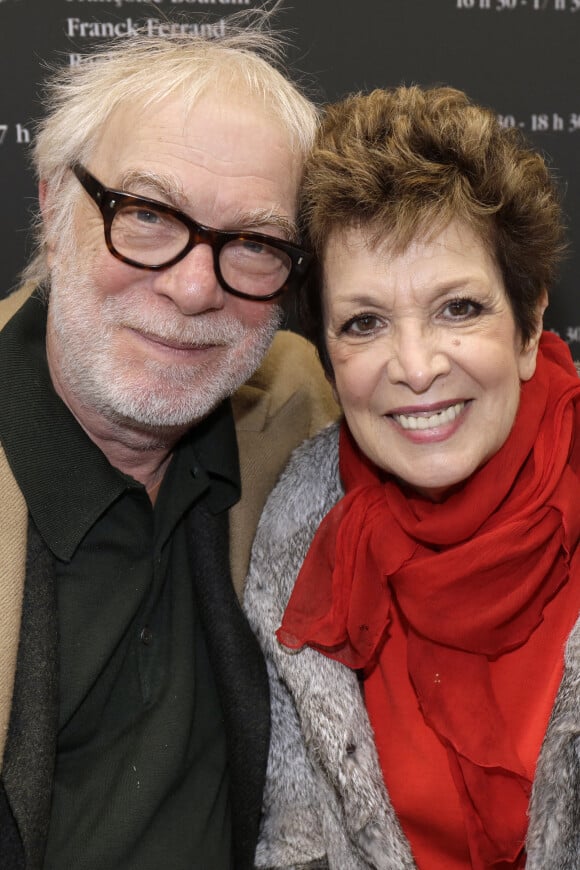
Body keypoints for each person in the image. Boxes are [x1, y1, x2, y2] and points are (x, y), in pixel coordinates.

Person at [0, 24, 338, 870]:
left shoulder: (299, 414)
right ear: (51, 207)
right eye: (146, 215)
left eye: (254, 244)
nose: (193, 288)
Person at [244, 85, 580, 869]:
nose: (418, 367)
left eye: (459, 309)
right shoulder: (298, 537)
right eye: (364, 323)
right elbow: (295, 848)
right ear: (328, 358)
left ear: (530, 325)